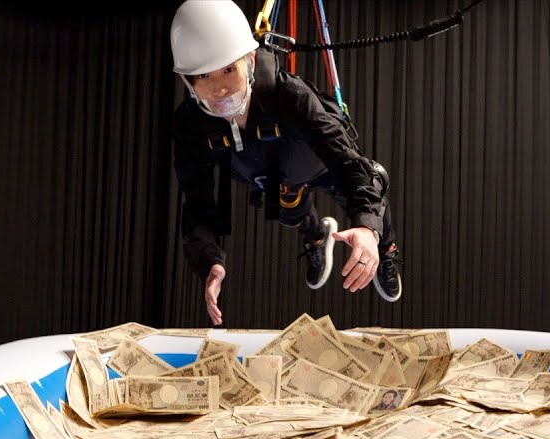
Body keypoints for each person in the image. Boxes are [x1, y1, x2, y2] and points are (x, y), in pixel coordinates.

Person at [169, 0, 402, 326]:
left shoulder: (290, 95)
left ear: (250, 61)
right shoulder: (190, 125)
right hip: (275, 178)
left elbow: (351, 167)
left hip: (321, 166)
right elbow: (198, 205)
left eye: (228, 70)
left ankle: (387, 249)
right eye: (204, 75)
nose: (220, 88)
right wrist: (209, 262)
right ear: (187, 81)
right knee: (290, 212)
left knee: (374, 180)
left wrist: (366, 228)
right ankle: (316, 236)